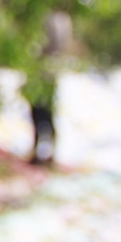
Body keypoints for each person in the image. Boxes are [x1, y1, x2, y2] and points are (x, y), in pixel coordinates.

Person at [24, 9, 72, 166]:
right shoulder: (63, 19)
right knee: (45, 112)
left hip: (43, 70)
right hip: (50, 69)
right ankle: (47, 152)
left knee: (41, 112)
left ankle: (43, 151)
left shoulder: (48, 19)